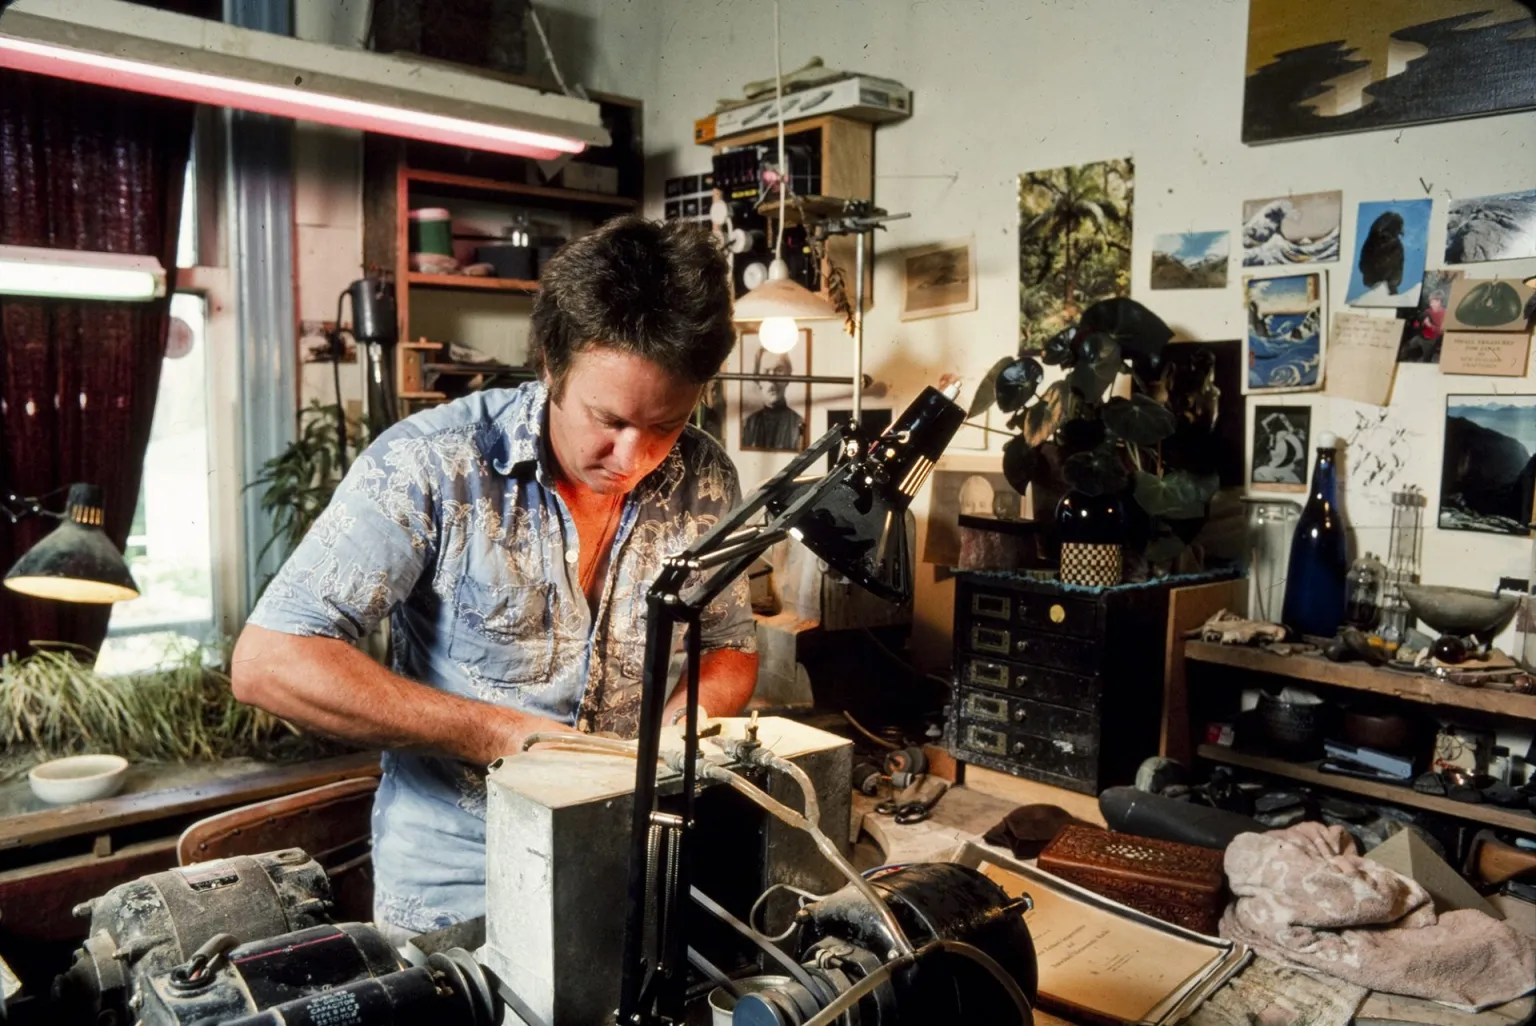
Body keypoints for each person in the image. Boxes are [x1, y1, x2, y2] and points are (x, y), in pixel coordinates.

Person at [230, 216, 759, 942]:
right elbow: (270, 662)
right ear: (549, 362)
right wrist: (501, 734)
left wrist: (685, 730)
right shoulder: (432, 463)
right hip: (459, 885)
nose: (633, 456)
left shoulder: (703, 477)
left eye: (665, 423)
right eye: (608, 418)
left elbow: (728, 644)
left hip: (633, 863)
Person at [741, 348, 804, 450]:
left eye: (779, 371)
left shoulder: (799, 422)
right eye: (765, 372)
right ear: (758, 380)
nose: (772, 380)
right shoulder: (747, 425)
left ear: (788, 378)